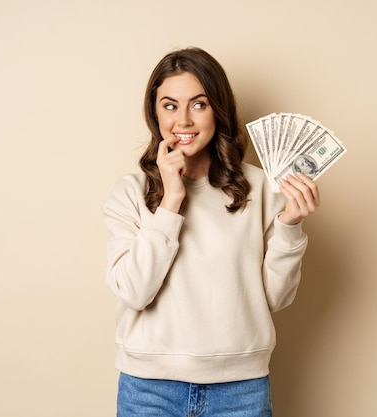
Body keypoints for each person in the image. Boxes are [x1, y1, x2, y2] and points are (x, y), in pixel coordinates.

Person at [103, 47, 320, 416]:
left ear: (218, 109)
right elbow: (134, 292)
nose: (183, 120)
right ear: (154, 113)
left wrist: (290, 227)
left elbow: (275, 298)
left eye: (198, 104)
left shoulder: (261, 187)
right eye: (170, 106)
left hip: (240, 391)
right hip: (149, 390)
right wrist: (171, 200)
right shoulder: (131, 191)